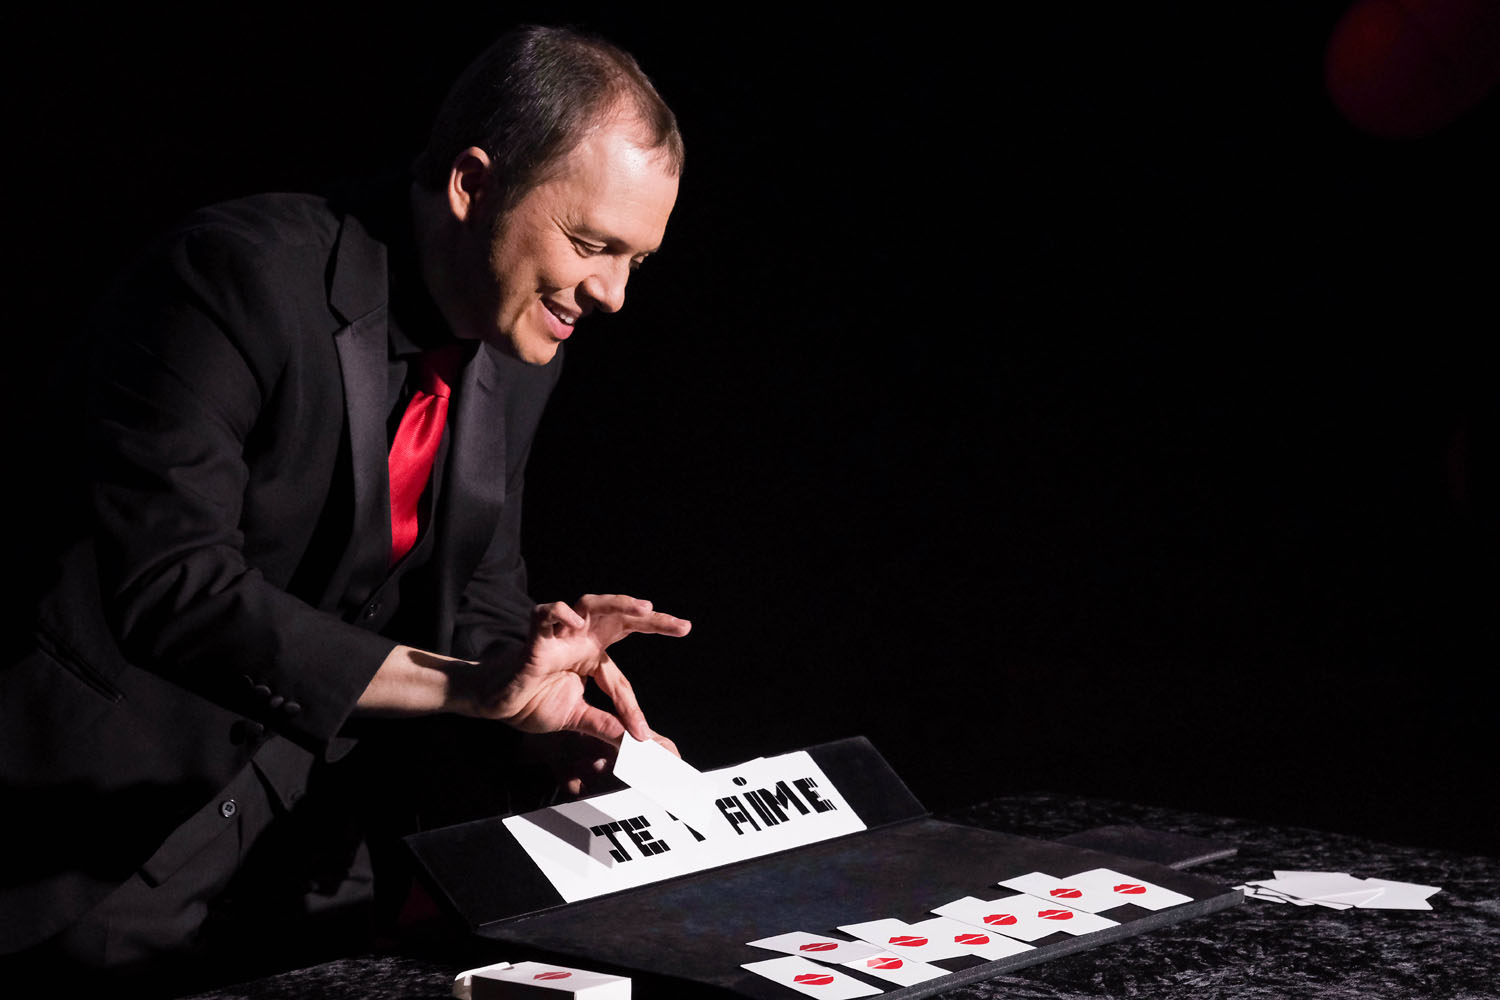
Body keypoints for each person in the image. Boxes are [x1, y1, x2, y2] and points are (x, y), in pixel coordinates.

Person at [0, 24, 687, 982]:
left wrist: (552, 705)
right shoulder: (232, 276)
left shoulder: (524, 342)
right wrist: (469, 686)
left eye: (638, 262)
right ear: (472, 183)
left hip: (317, 861)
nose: (611, 294)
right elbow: (172, 588)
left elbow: (477, 590)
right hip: (98, 840)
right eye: (591, 244)